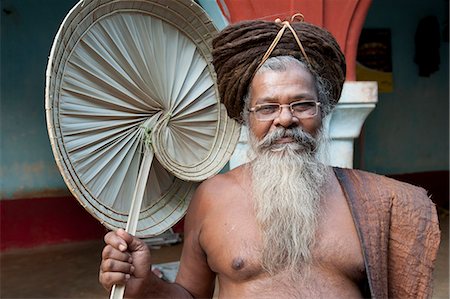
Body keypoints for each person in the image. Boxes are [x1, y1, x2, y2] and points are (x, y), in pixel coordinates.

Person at [99, 17, 440, 298]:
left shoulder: (374, 204)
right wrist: (145, 285)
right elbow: (190, 295)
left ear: (323, 113)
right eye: (267, 107)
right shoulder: (212, 198)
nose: (286, 118)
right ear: (247, 117)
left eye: (302, 104)